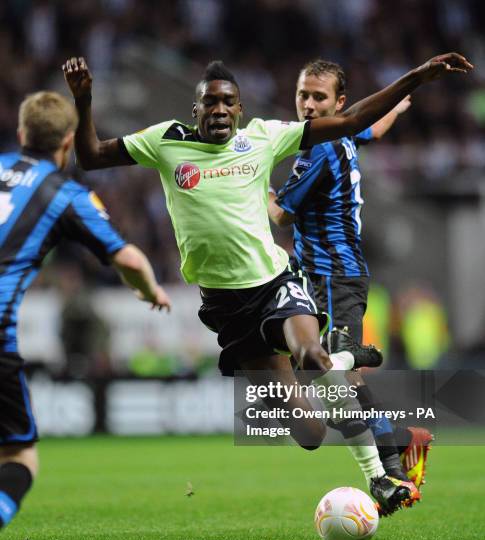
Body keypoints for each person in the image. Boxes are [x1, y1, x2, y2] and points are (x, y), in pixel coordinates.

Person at [62, 52, 471, 514]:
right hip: (226, 308)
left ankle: (379, 478)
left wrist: (417, 75)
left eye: (228, 103)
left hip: (276, 283)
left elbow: (355, 118)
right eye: (209, 103)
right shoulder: (164, 141)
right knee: (310, 434)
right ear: (195, 110)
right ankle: (340, 358)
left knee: (311, 356)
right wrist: (84, 100)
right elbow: (91, 156)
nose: (219, 110)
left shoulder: (264, 136)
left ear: (240, 110)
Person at [0, 91, 171, 530]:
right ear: (68, 143)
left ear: (21, 134)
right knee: (19, 456)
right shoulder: (65, 194)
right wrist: (150, 290)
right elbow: (128, 259)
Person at [267, 59, 433, 494]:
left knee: (337, 377)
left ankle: (395, 465)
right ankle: (396, 448)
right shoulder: (341, 132)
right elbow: (373, 129)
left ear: (338, 102)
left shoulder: (319, 148)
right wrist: (396, 109)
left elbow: (281, 215)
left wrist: (253, 186)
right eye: (303, 94)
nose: (308, 104)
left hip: (331, 276)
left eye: (318, 97)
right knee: (329, 376)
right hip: (335, 275)